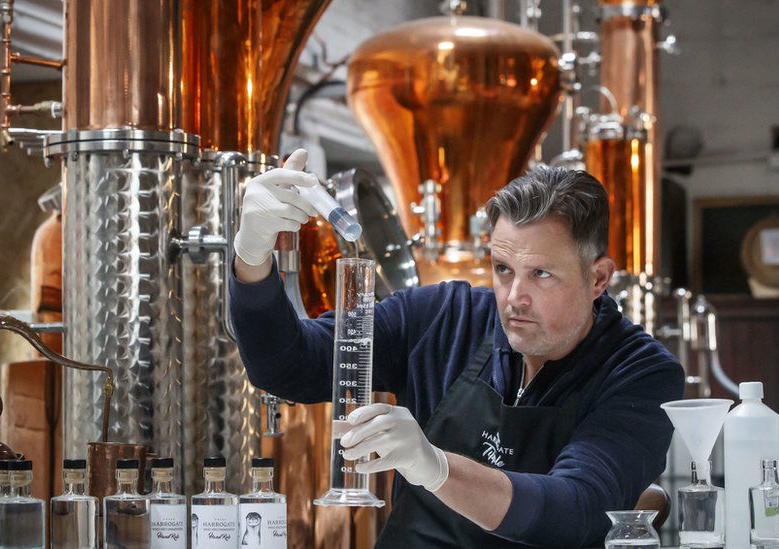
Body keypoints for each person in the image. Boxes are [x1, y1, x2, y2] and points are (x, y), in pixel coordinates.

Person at [231, 149, 684, 547]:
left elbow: (579, 510)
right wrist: (253, 257)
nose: (514, 297)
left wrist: (436, 467)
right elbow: (288, 366)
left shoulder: (640, 373)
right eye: (503, 269)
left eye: (541, 274)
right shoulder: (443, 317)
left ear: (599, 278)